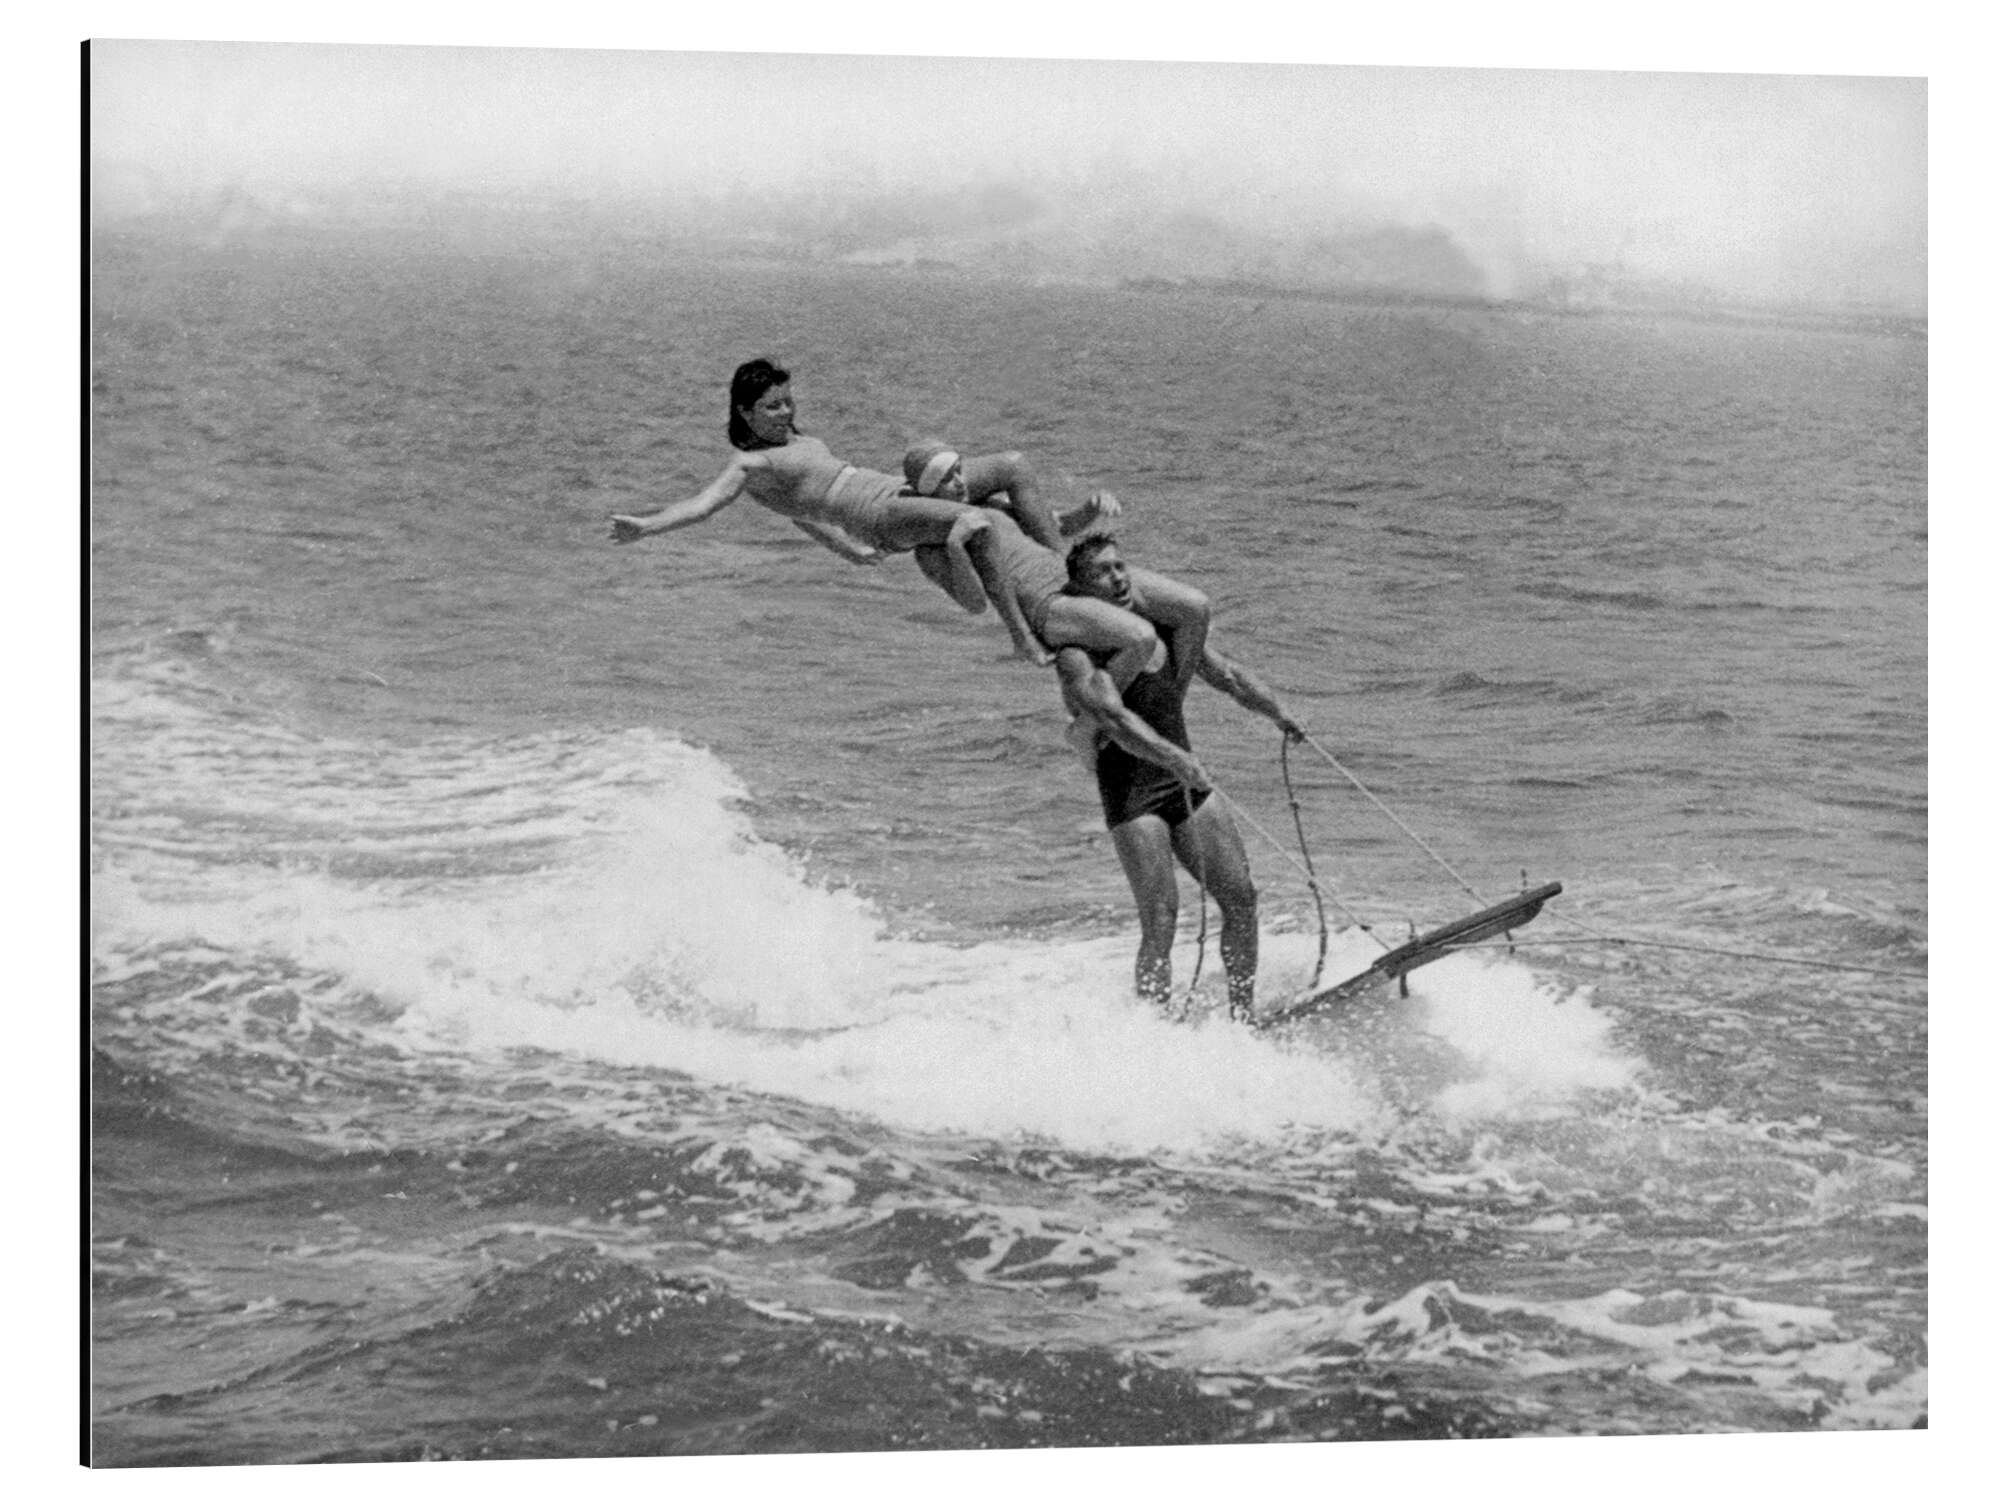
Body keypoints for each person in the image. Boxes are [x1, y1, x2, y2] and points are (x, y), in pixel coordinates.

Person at [608, 359, 1047, 660]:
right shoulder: (750, 465)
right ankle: (1021, 637)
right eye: (771, 407)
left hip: (895, 488)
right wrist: (647, 526)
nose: (784, 412)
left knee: (1013, 466)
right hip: (879, 516)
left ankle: (1061, 555)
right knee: (977, 522)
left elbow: (801, 514)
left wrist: (846, 552)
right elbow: (704, 505)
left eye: (787, 402)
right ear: (744, 412)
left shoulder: (797, 441)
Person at [1053, 535, 1305, 1021]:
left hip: (1184, 781)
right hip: (1132, 792)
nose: (1118, 577)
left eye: (1120, 566)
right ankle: (1153, 1032)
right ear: (1082, 591)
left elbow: (1228, 675)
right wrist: (1172, 758)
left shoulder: (1162, 631)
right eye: (1103, 572)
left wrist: (1279, 713)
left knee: (1241, 899)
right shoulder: (1078, 655)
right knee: (1161, 919)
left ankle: (1243, 1019)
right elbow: (1112, 722)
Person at [899, 440, 1209, 691]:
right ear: (928, 494)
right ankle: (1091, 723)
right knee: (1141, 638)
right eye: (946, 480)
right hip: (1045, 602)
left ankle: (1175, 700)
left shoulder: (988, 504)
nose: (960, 483)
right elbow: (974, 603)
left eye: (959, 472)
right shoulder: (931, 549)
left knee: (1195, 608)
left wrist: (1089, 509)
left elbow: (1054, 525)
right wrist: (956, 546)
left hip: (1070, 572)